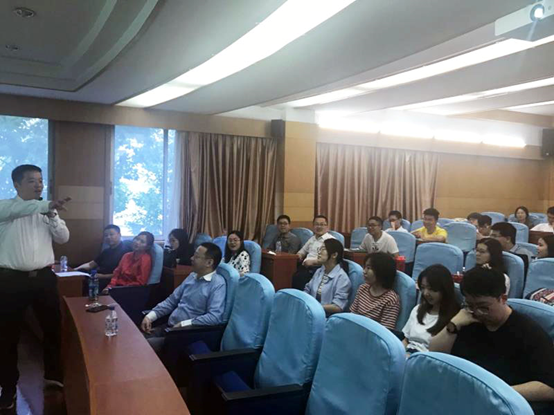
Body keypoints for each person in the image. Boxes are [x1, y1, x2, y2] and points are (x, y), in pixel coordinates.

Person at [429, 267, 554, 414]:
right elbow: (434, 354)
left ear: (503, 299)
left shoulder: (528, 332)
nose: (478, 312)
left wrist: (495, 391)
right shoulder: (468, 319)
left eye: (484, 307)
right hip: (465, 396)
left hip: (503, 404)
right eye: (470, 305)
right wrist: (454, 324)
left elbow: (549, 388)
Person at [0, 165, 71, 410]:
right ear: (16, 184)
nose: (39, 185)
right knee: (8, 335)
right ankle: (8, 387)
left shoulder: (47, 210)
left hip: (43, 278)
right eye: (32, 181)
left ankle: (53, 375)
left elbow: (63, 238)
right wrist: (46, 206)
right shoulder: (5, 207)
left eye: (40, 180)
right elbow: (22, 209)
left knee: (53, 328)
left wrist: (52, 215)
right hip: (11, 280)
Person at [141, 242, 226, 352]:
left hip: (185, 334)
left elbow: (214, 317)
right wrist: (151, 316)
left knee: (143, 347)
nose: (191, 258)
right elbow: (171, 301)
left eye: (196, 256)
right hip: (169, 327)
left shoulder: (217, 284)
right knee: (135, 338)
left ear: (209, 262)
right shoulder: (192, 276)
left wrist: (185, 324)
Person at [402, 265, 459, 354]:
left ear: (444, 289)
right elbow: (406, 340)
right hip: (408, 354)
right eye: (423, 288)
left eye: (431, 289)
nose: (425, 293)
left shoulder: (454, 319)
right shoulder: (418, 309)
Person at [350, 252, 400, 330]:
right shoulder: (363, 288)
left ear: (381, 271)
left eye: (368, 268)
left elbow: (385, 331)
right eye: (364, 267)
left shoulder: (390, 299)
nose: (364, 271)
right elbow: (352, 315)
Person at [76, 224, 132, 291]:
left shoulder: (126, 252)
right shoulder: (106, 251)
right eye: (106, 235)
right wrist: (74, 270)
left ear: (119, 235)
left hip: (109, 280)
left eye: (111, 234)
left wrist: (102, 276)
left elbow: (122, 275)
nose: (108, 237)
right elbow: (91, 264)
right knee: (79, 275)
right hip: (97, 276)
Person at [304, 239, 351, 317]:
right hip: (311, 312)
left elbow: (338, 306)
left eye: (323, 249)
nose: (319, 252)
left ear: (334, 255)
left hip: (327, 317)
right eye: (319, 249)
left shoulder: (342, 278)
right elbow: (307, 289)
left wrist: (315, 307)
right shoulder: (319, 271)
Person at [292, 215, 335, 289]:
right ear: (313, 226)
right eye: (316, 224)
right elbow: (302, 252)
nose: (319, 227)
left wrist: (314, 262)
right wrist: (298, 256)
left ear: (327, 227)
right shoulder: (312, 238)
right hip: (304, 267)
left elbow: (331, 260)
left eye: (322, 224)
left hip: (318, 269)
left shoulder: (331, 240)